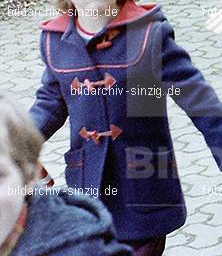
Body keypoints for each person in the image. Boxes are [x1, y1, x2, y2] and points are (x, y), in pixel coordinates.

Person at [29, 0, 222, 255]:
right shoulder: (56, 42)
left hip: (144, 183)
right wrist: (13, 147)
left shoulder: (148, 32)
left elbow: (194, 93)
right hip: (88, 184)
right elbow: (49, 104)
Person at [0, 98, 133, 255]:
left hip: (135, 187)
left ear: (31, 175)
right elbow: (51, 100)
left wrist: (21, 142)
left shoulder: (82, 249)